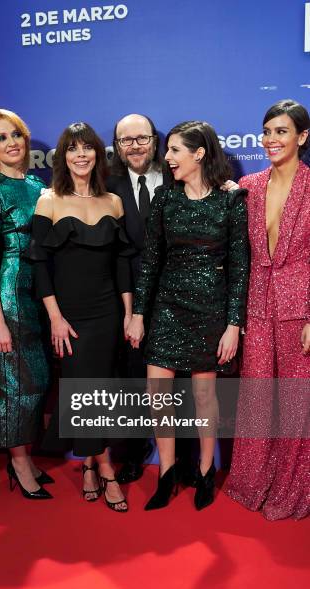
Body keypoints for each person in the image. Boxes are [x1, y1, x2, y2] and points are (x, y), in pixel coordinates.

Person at [127, 120, 249, 511]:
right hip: (167, 308)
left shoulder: (230, 201)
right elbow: (151, 261)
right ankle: (165, 472)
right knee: (157, 393)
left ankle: (205, 470)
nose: (167, 157)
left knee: (203, 395)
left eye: (176, 150)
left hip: (210, 310)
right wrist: (140, 313)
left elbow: (239, 267)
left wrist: (233, 325)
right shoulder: (165, 198)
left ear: (199, 154)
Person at [30, 122, 133, 512]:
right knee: (83, 388)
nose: (81, 155)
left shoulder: (113, 203)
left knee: (101, 389)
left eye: (87, 148)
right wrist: (55, 318)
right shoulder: (49, 201)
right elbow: (40, 266)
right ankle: (106, 468)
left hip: (107, 312)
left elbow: (122, 265)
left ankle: (89, 464)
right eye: (72, 149)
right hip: (69, 315)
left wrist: (127, 314)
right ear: (62, 156)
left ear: (97, 154)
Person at [225, 100, 310, 520]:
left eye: (281, 131)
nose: (271, 140)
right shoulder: (250, 185)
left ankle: (292, 489)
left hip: (300, 307)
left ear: (302, 137)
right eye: (267, 132)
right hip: (256, 303)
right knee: (258, 398)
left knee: (295, 402)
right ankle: (251, 481)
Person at [0, 109, 52, 500]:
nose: (12, 143)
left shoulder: (39, 185)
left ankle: (28, 455)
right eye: (2, 138)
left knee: (36, 380)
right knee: (13, 383)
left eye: (16, 135)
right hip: (9, 293)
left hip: (41, 291)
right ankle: (18, 462)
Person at [107, 114, 168, 484]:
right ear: (117, 147)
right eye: (125, 140)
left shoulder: (178, 177)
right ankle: (131, 452)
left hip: (177, 296)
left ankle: (183, 461)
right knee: (131, 378)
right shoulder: (107, 186)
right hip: (127, 296)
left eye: (141, 138)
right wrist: (132, 310)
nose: (134, 146)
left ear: (154, 140)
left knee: (178, 382)